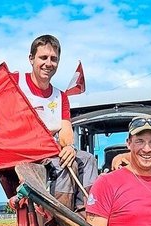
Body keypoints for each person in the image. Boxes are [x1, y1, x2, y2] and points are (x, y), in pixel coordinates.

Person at [14, 34, 98, 214]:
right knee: (65, 166)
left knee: (87, 159)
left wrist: (69, 147)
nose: (48, 63)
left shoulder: (60, 97)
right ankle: (59, 217)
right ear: (31, 59)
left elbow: (65, 129)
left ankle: (88, 212)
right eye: (43, 57)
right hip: (22, 153)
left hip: (47, 152)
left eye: (54, 59)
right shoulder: (16, 83)